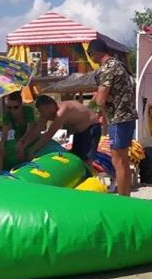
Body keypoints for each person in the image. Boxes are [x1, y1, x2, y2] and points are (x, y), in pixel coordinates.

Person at [89, 38, 138, 196]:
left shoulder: (107, 68)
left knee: (118, 162)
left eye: (90, 54)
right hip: (128, 116)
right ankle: (126, 196)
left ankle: (123, 199)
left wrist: (99, 110)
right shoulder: (121, 65)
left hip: (117, 118)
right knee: (124, 161)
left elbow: (101, 99)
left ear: (95, 52)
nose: (91, 58)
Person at [22, 95, 102, 164]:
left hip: (91, 128)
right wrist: (24, 144)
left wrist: (33, 150)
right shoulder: (45, 113)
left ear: (54, 105)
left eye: (49, 112)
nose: (47, 115)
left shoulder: (63, 110)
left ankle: (91, 174)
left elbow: (49, 134)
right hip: (77, 131)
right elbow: (37, 129)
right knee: (76, 156)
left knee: (86, 159)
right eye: (43, 112)